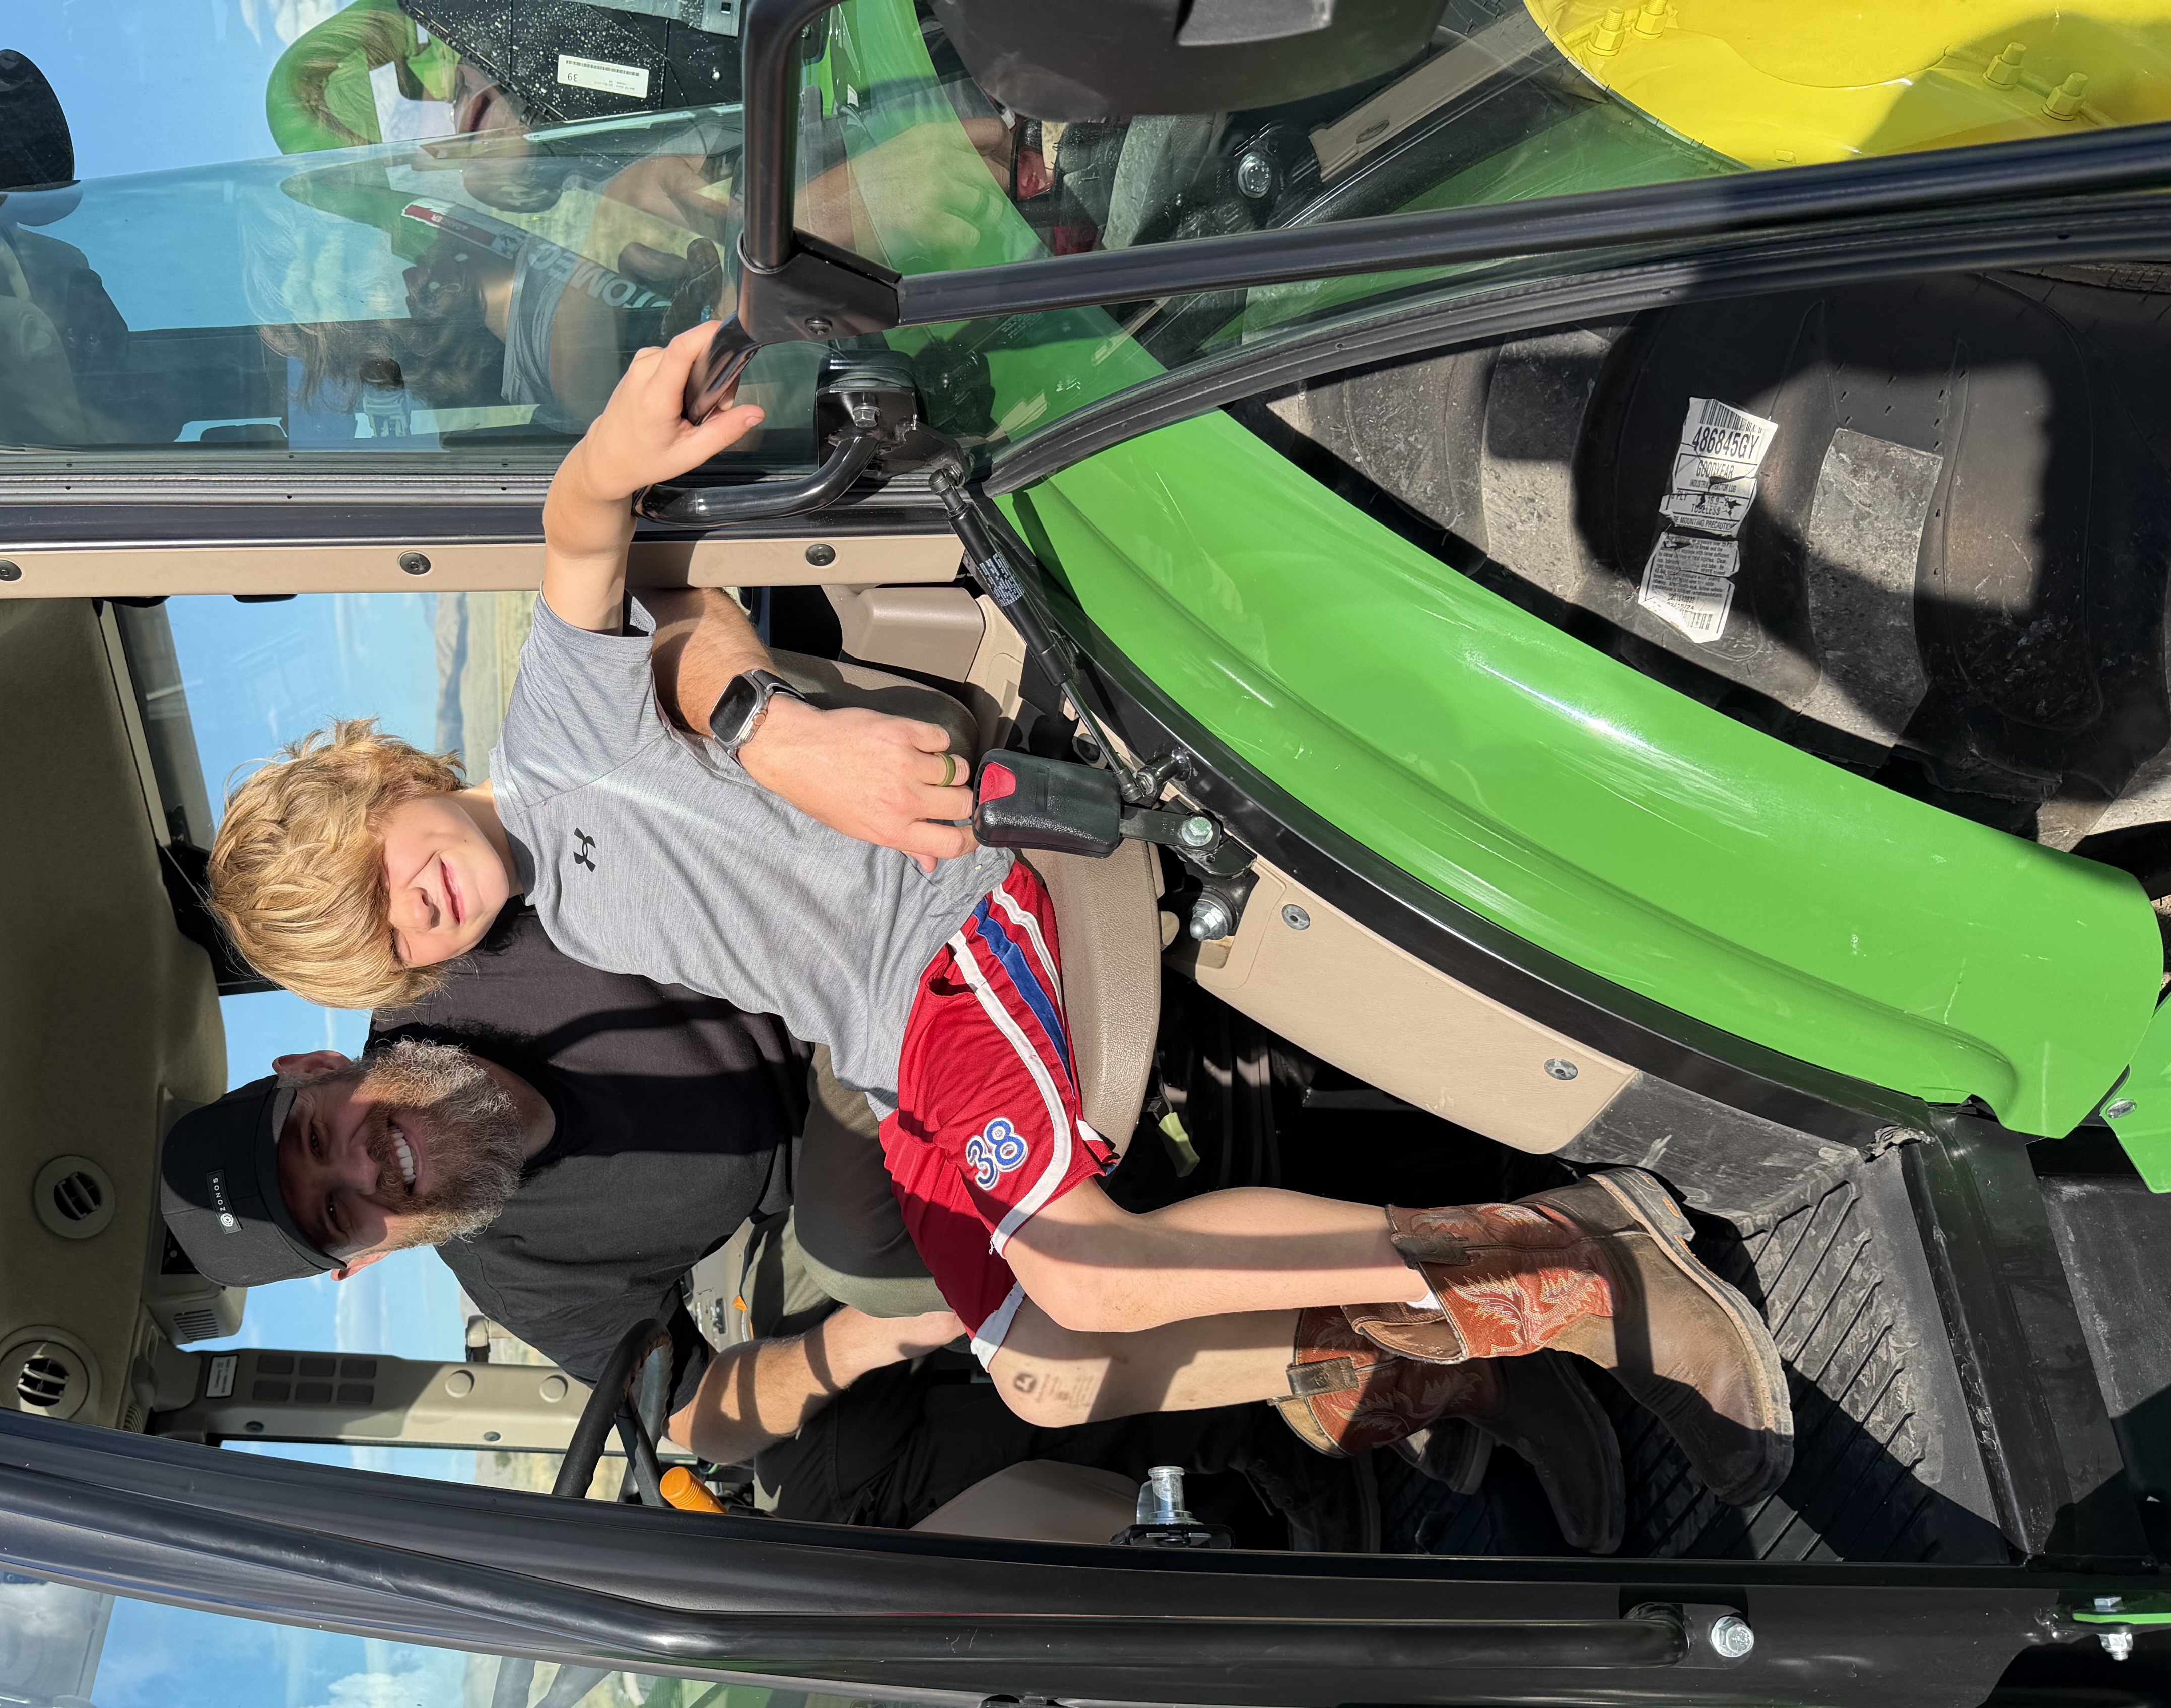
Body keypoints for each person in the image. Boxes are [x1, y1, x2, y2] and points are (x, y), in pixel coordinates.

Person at [200, 319, 1798, 1520]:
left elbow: (609, 567)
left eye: (377, 868)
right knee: (1036, 1357)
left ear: (332, 1066)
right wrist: (839, 1355)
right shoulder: (510, 1125)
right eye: (388, 938)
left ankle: (1582, 1272)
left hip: (949, 937)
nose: (414, 913)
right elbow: (682, 1416)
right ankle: (1462, 1343)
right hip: (899, 1050)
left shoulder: (548, 741)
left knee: (1076, 1279)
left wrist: (618, 457)